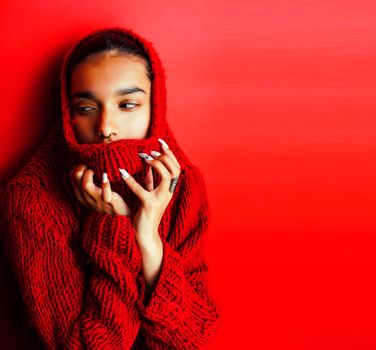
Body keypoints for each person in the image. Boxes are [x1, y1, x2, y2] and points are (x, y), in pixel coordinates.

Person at [0, 26, 221, 349]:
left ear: (154, 109)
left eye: (128, 105)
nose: (106, 128)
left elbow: (192, 337)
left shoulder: (182, 184)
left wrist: (149, 240)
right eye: (86, 109)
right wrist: (113, 226)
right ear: (68, 115)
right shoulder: (30, 201)